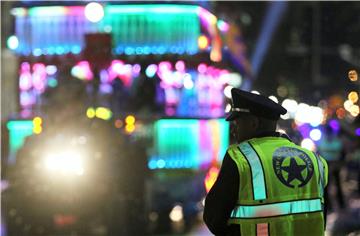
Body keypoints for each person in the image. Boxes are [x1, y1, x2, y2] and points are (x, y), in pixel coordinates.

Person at [203, 88, 328, 236]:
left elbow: (213, 218)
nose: (233, 131)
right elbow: (321, 215)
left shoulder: (240, 158)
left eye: (237, 124)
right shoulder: (316, 160)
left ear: (253, 123)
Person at [317, 125, 346, 210]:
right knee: (326, 186)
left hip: (335, 165)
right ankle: (328, 205)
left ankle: (341, 204)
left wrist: (339, 164)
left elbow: (343, 154)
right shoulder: (321, 141)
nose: (328, 134)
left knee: (338, 185)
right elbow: (318, 153)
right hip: (325, 165)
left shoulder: (337, 141)